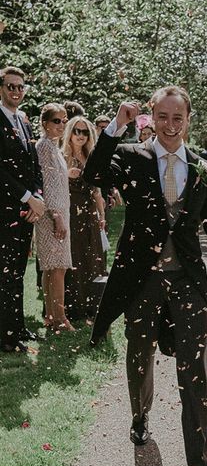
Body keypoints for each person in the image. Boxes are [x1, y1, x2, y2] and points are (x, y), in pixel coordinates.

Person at [83, 87, 207, 466]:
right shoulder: (131, 156)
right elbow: (93, 175)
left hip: (188, 281)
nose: (171, 126)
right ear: (150, 118)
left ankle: (199, 462)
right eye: (163, 117)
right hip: (143, 281)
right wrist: (116, 128)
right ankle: (140, 416)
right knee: (140, 357)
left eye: (178, 118)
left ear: (188, 119)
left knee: (195, 368)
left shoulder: (201, 165)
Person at [0, 66, 45, 353]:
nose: (16, 91)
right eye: (11, 86)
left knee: (18, 272)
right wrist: (28, 197)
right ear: (0, 88)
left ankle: (17, 327)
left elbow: (34, 166)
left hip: (28, 209)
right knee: (4, 273)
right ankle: (5, 336)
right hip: (5, 210)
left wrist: (37, 197)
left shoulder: (24, 122)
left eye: (20, 87)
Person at [63, 116, 107, 321]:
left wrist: (102, 214)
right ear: (70, 133)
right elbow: (51, 186)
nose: (80, 136)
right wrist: (66, 175)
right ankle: (74, 307)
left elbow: (97, 190)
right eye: (76, 131)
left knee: (93, 256)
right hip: (70, 213)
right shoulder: (62, 156)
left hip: (90, 213)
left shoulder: (91, 156)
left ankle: (93, 304)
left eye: (84, 132)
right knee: (75, 257)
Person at [34, 104, 74, 331]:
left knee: (51, 268)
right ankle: (60, 318)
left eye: (64, 120)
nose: (61, 125)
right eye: (56, 121)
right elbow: (47, 186)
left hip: (57, 213)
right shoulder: (45, 147)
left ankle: (51, 316)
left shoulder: (53, 147)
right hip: (52, 215)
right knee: (57, 268)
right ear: (45, 123)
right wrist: (57, 216)